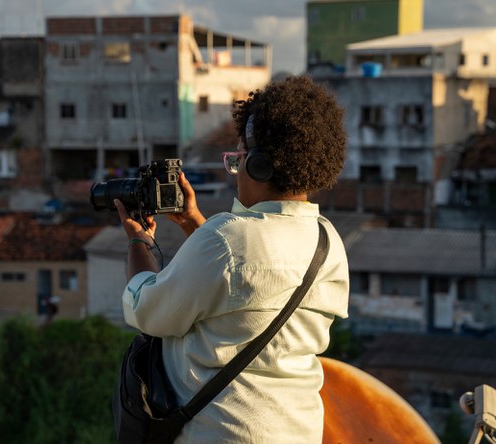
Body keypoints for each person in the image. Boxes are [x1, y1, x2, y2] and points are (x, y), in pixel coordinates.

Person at [114, 75, 349, 443]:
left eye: (238, 159)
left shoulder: (226, 238)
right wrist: (193, 223)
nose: (236, 171)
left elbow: (147, 310)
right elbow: (249, 285)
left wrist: (137, 241)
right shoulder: (327, 242)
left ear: (258, 165)